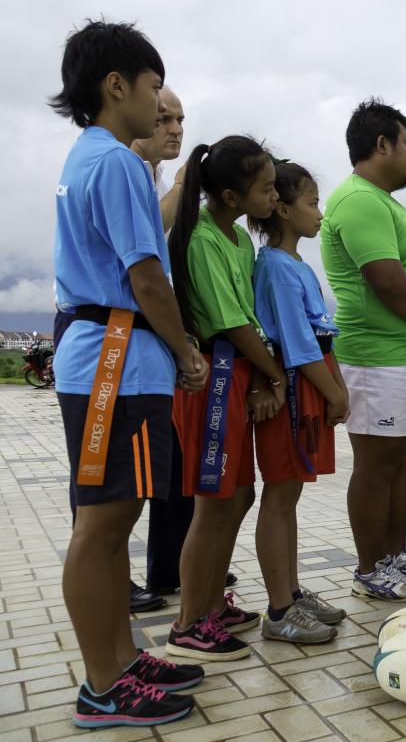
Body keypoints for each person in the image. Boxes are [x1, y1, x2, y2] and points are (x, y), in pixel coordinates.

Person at [50, 19, 206, 728]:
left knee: (114, 520)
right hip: (116, 357)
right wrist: (186, 352)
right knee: (103, 523)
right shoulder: (115, 161)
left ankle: (122, 656)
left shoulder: (90, 155)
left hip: (112, 356)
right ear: (116, 88)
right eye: (151, 88)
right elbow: (147, 276)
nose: (158, 102)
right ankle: (102, 684)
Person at [320, 99, 406, 601]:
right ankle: (368, 568)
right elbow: (386, 280)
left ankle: (395, 552)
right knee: (377, 465)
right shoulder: (355, 200)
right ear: (381, 144)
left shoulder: (389, 205)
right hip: (376, 358)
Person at [166, 135, 282, 661]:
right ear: (232, 196)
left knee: (238, 496)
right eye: (266, 188)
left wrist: (261, 377)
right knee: (212, 504)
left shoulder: (238, 241)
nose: (273, 198)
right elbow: (231, 323)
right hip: (212, 378)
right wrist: (275, 375)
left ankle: (212, 602)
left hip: (237, 373)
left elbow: (249, 318)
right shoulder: (201, 240)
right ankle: (190, 621)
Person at [249, 160, 350, 643]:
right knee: (280, 491)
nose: (319, 212)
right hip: (294, 386)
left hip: (309, 381)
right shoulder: (273, 267)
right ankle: (278, 609)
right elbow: (297, 341)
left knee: (290, 494)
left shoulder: (295, 264)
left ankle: (290, 591)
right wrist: (333, 391)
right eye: (311, 203)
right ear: (283, 209)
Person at [124, 84, 190, 612]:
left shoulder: (153, 175)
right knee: (110, 477)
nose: (173, 128)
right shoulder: (122, 168)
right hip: (118, 334)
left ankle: (171, 565)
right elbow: (147, 255)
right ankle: (112, 577)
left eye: (180, 120)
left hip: (148, 339)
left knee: (168, 463)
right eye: (163, 117)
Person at [130, 85, 185, 230]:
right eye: (164, 119)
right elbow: (142, 236)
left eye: (180, 120)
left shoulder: (162, 184)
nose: (177, 130)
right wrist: (180, 187)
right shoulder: (117, 173)